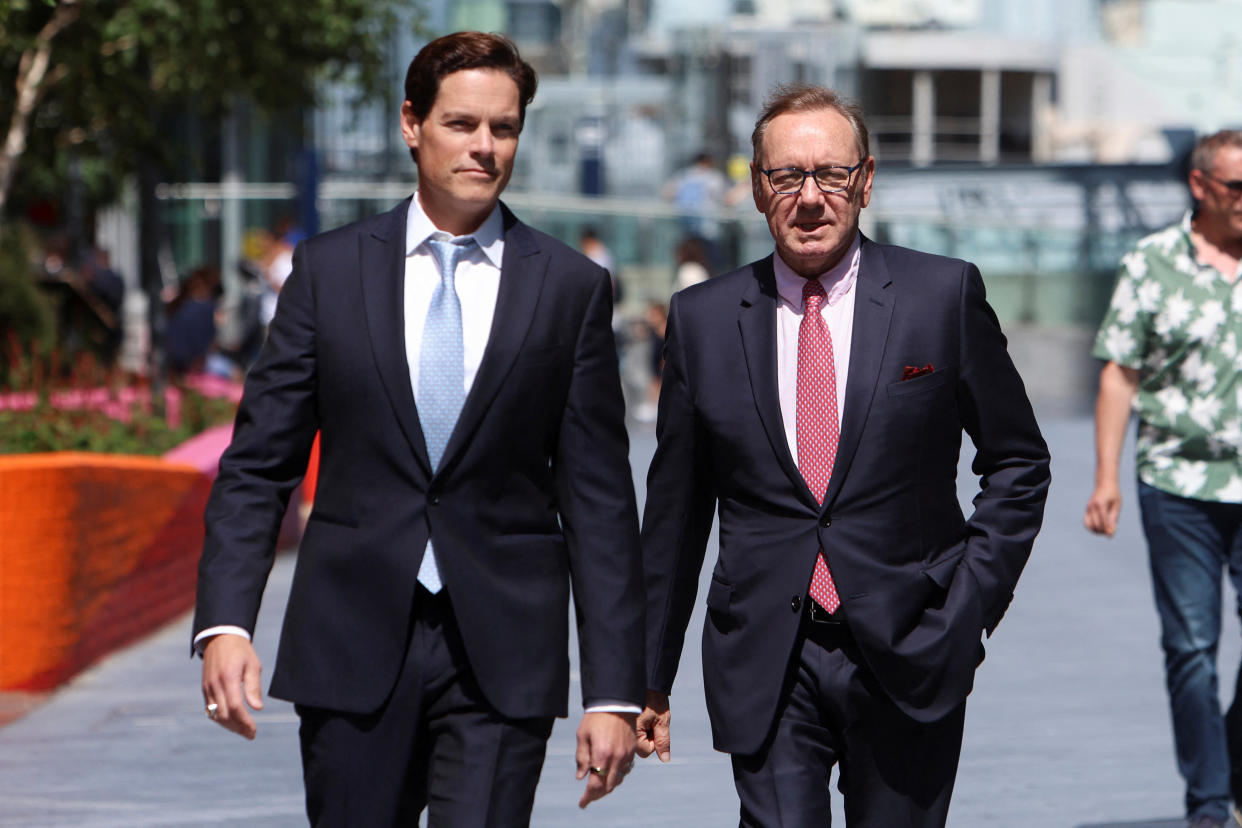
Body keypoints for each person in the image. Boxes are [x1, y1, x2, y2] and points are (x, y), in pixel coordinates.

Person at [193, 32, 645, 825]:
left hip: (503, 656)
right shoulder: (329, 273)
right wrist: (225, 623)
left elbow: (600, 505)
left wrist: (612, 692)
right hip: (350, 640)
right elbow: (260, 464)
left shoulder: (570, 289)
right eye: (462, 123)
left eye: (504, 129)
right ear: (412, 124)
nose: (484, 147)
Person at [636, 83, 1051, 826]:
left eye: (830, 174)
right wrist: (647, 676)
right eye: (787, 176)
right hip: (767, 654)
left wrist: (969, 610)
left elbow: (1017, 462)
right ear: (759, 189)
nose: (810, 197)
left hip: (911, 645)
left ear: (864, 181)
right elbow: (676, 513)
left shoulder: (940, 296)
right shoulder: (702, 321)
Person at [1085, 129, 1242, 828]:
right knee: (1192, 649)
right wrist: (1105, 477)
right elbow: (1120, 372)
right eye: (1238, 187)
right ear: (1201, 186)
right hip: (1178, 482)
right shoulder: (1152, 262)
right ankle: (1209, 801)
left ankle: (1230, 756)